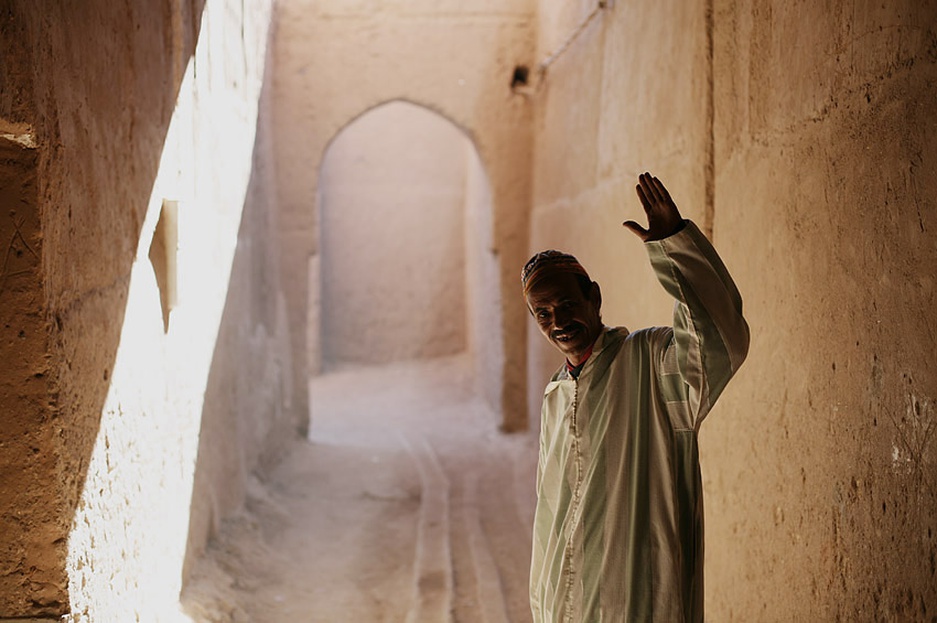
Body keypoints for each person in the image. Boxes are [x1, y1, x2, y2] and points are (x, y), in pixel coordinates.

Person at [523, 172, 750, 622]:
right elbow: (549, 520)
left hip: (639, 601)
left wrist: (674, 247)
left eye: (567, 305)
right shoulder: (555, 396)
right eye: (543, 314)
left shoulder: (649, 363)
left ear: (594, 298)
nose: (558, 322)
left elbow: (720, 342)